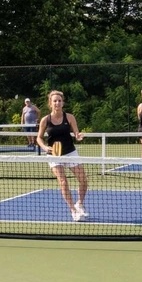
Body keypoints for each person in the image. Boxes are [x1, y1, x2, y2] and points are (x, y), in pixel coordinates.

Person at [36, 89, 88, 221]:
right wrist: (44, 147)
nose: (57, 103)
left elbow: (76, 134)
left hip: (70, 152)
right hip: (54, 155)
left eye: (59, 101)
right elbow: (39, 138)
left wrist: (79, 136)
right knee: (63, 182)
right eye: (55, 101)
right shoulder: (45, 120)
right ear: (50, 103)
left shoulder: (69, 117)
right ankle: (73, 210)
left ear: (62, 103)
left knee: (83, 180)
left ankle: (79, 203)